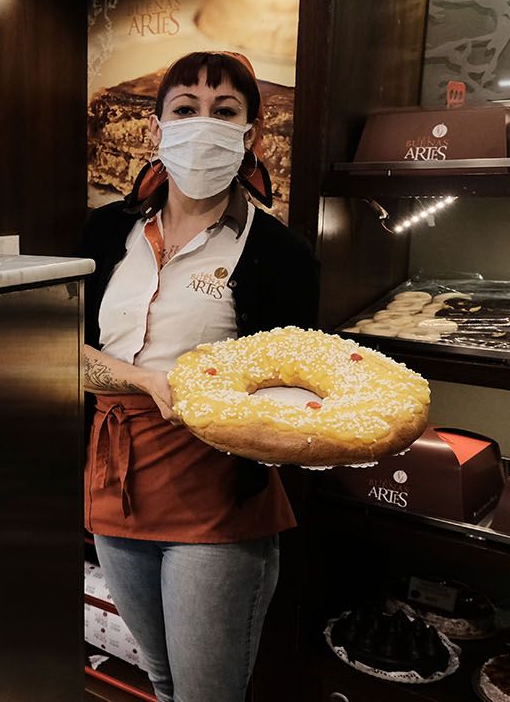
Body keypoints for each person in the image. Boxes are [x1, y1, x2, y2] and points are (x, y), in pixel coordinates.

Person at [80, 51, 319, 702]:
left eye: (225, 111)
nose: (202, 124)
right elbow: (67, 349)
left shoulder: (279, 254)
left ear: (253, 136)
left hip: (216, 494)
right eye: (185, 109)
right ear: (158, 129)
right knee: (160, 680)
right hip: (114, 485)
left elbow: (296, 383)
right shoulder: (105, 234)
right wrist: (144, 382)